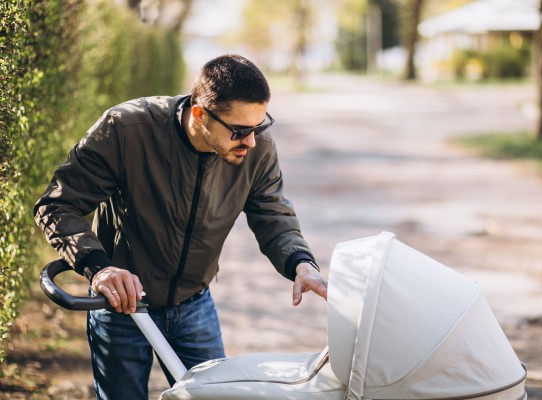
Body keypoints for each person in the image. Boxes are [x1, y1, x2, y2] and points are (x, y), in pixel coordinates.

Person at [33, 54, 328, 400]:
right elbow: (57, 204)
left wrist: (300, 262)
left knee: (216, 395)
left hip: (194, 303)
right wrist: (99, 268)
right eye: (240, 131)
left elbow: (272, 213)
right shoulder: (126, 130)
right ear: (201, 114)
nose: (251, 141)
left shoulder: (256, 149)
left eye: (260, 126)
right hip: (122, 307)